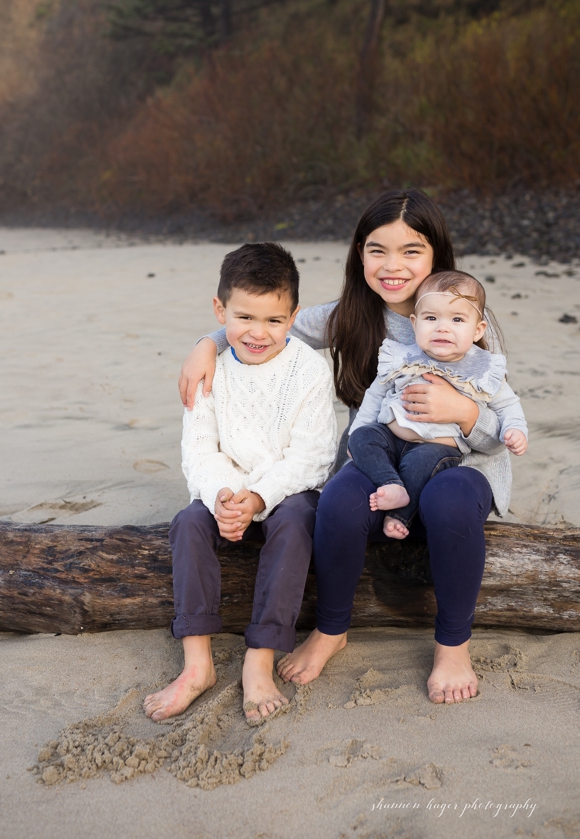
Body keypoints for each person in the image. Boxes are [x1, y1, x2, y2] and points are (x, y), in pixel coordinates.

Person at [178, 189, 512, 704]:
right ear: (360, 254)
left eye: (412, 251)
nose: (392, 266)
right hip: (379, 461)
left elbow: (500, 431)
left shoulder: (461, 314)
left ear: (437, 256)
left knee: (448, 500)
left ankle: (452, 646)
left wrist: (464, 412)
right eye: (377, 249)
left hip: (458, 465)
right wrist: (206, 343)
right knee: (335, 498)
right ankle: (331, 629)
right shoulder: (349, 316)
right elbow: (263, 319)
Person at [146, 242, 339, 725]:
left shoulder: (310, 370)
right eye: (244, 317)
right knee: (187, 523)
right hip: (226, 494)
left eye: (274, 320)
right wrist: (224, 499)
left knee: (296, 522)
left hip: (286, 492)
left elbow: (313, 456)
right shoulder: (209, 367)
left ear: (293, 316)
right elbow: (199, 450)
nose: (258, 333)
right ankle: (197, 666)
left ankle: (260, 659)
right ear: (219, 310)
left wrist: (258, 498)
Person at [348, 270, 529, 540]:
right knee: (361, 437)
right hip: (391, 436)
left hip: (437, 447)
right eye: (431, 318)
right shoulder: (401, 358)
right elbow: (374, 397)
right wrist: (356, 434)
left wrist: (514, 430)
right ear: (415, 322)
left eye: (457, 319)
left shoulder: (482, 369)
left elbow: (509, 406)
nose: (442, 327)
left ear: (478, 329)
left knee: (421, 463)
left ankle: (399, 514)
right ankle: (391, 483)